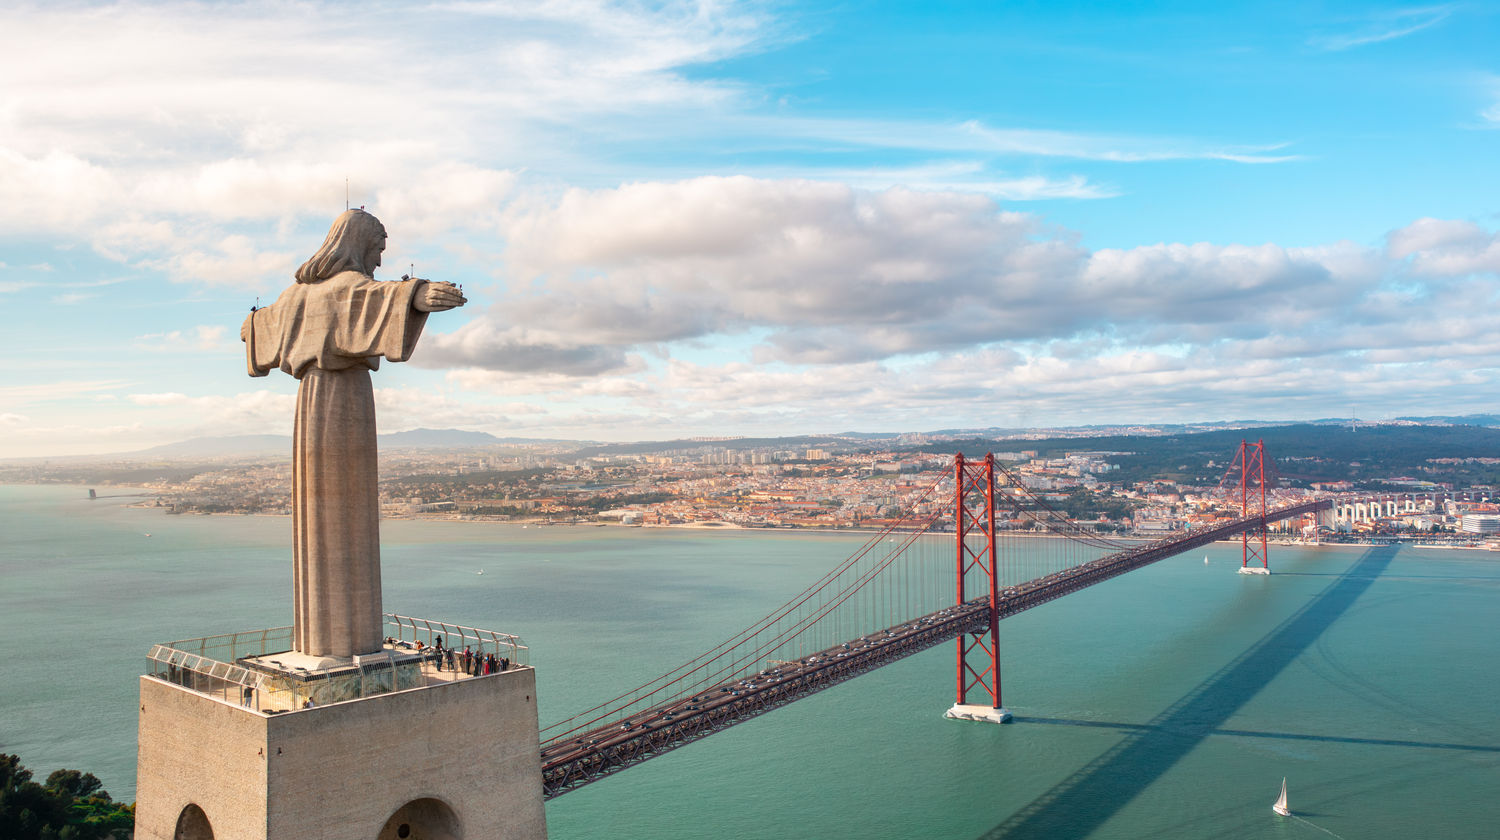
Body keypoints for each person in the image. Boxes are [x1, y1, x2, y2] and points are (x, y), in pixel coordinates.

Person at [242, 209, 466, 658]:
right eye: (377, 249)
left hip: (309, 407)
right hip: (345, 399)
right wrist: (422, 293)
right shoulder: (344, 290)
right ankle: (340, 652)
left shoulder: (293, 297)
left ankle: (323, 646)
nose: (380, 261)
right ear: (360, 243)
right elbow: (384, 297)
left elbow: (256, 327)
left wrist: (251, 326)